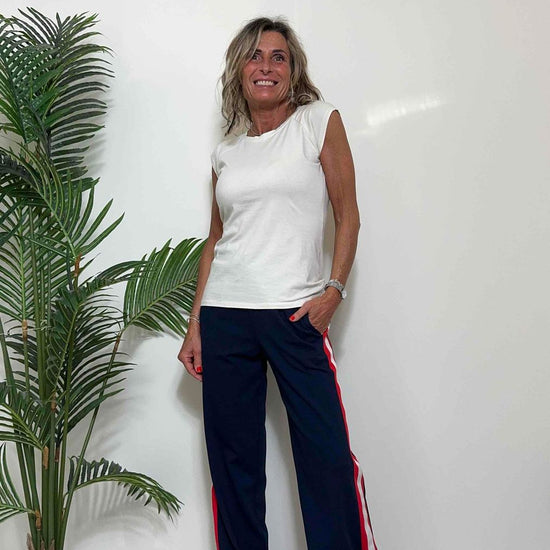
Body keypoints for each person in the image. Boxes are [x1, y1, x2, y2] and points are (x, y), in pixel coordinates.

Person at [178, 16, 378, 550]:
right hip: (225, 315)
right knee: (233, 464)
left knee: (326, 457)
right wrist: (196, 323)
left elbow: (349, 216)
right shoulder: (227, 151)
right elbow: (216, 239)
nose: (265, 66)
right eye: (254, 56)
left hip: (295, 314)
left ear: (292, 70)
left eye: (278, 57)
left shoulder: (318, 121)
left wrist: (333, 291)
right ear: (239, 70)